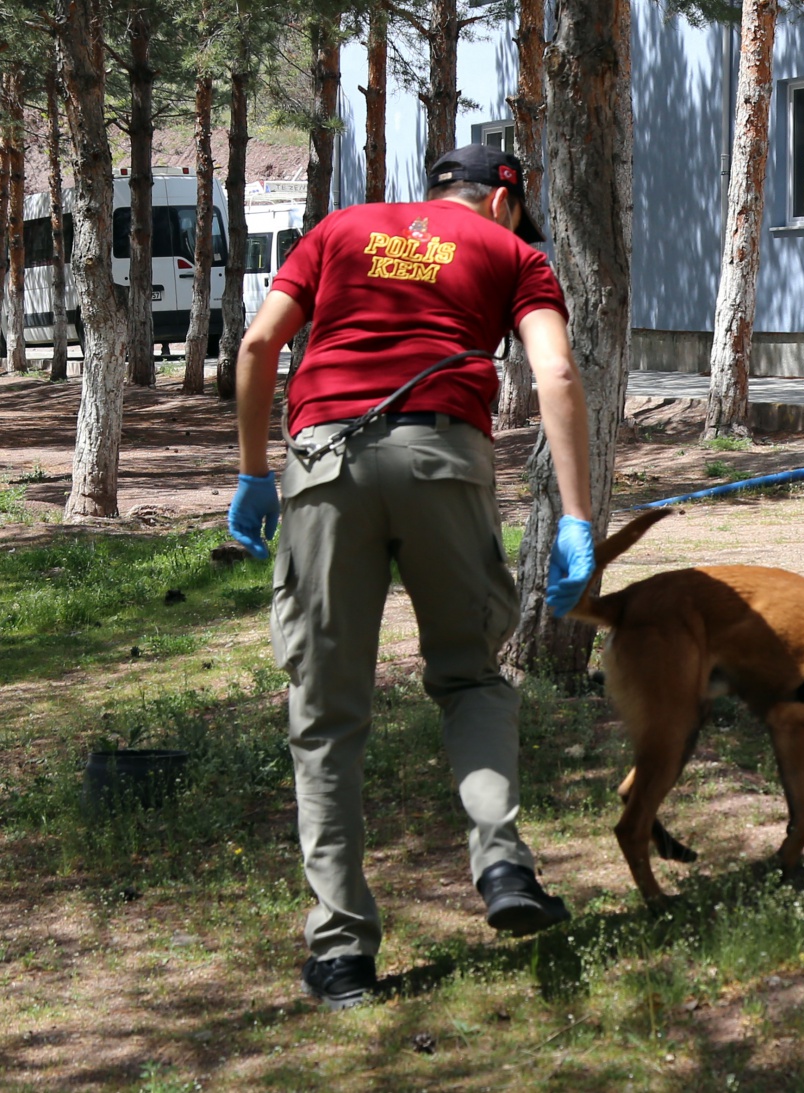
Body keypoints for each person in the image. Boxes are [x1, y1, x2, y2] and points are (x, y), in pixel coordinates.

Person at [227, 145, 596, 1011]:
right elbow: (557, 373)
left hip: (325, 464)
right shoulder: (516, 254)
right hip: (443, 459)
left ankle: (344, 953)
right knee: (469, 676)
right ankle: (502, 862)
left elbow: (257, 342)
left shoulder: (339, 229)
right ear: (505, 199)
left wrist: (251, 472)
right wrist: (575, 516)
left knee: (325, 713)